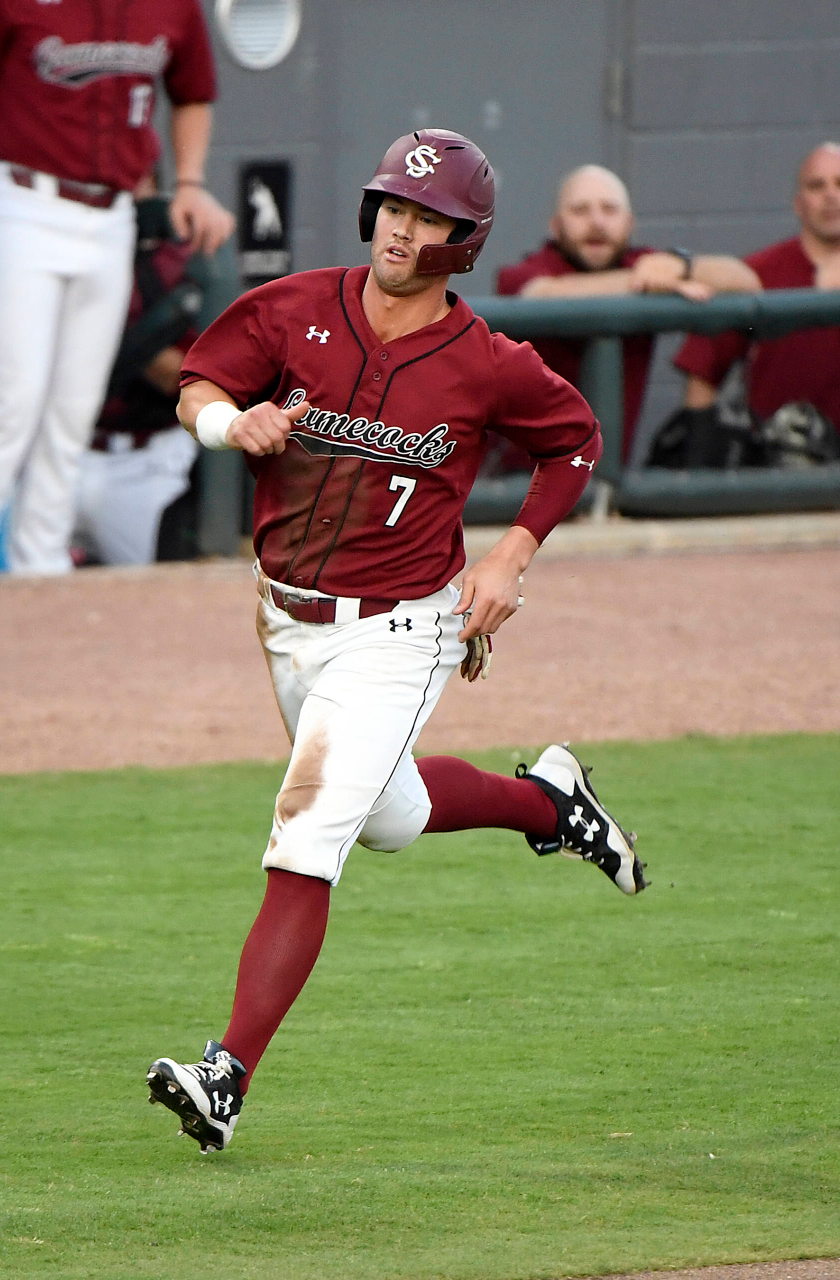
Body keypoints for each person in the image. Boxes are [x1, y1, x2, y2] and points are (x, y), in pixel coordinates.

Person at [145, 130, 648, 1156]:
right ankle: (550, 801)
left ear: (464, 242)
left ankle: (224, 1075)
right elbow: (199, 381)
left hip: (403, 627)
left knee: (309, 831)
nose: (402, 229)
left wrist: (511, 555)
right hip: (285, 616)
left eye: (428, 219)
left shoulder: (486, 361)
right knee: (387, 814)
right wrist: (226, 426)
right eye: (393, 207)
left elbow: (577, 441)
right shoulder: (293, 307)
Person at [0, 0, 234, 576]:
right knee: (11, 397)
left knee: (74, 405)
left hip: (111, 214)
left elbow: (193, 92)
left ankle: (40, 558)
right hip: (21, 201)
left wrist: (191, 181)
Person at [495, 164, 760, 461]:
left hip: (604, 488)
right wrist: (643, 281)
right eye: (580, 210)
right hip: (517, 489)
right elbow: (539, 294)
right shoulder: (525, 272)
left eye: (609, 210)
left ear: (630, 223)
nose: (596, 222)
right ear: (555, 225)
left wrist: (680, 266)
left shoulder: (645, 263)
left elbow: (747, 281)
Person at [69, 180, 203, 567]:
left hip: (145, 462)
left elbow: (187, 378)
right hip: (63, 452)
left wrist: (110, 338)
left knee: (156, 606)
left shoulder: (169, 260)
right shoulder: (49, 251)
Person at [673, 143, 840, 448]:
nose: (831, 195)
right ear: (798, 203)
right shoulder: (757, 273)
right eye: (817, 186)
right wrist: (699, 451)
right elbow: (703, 370)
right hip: (776, 466)